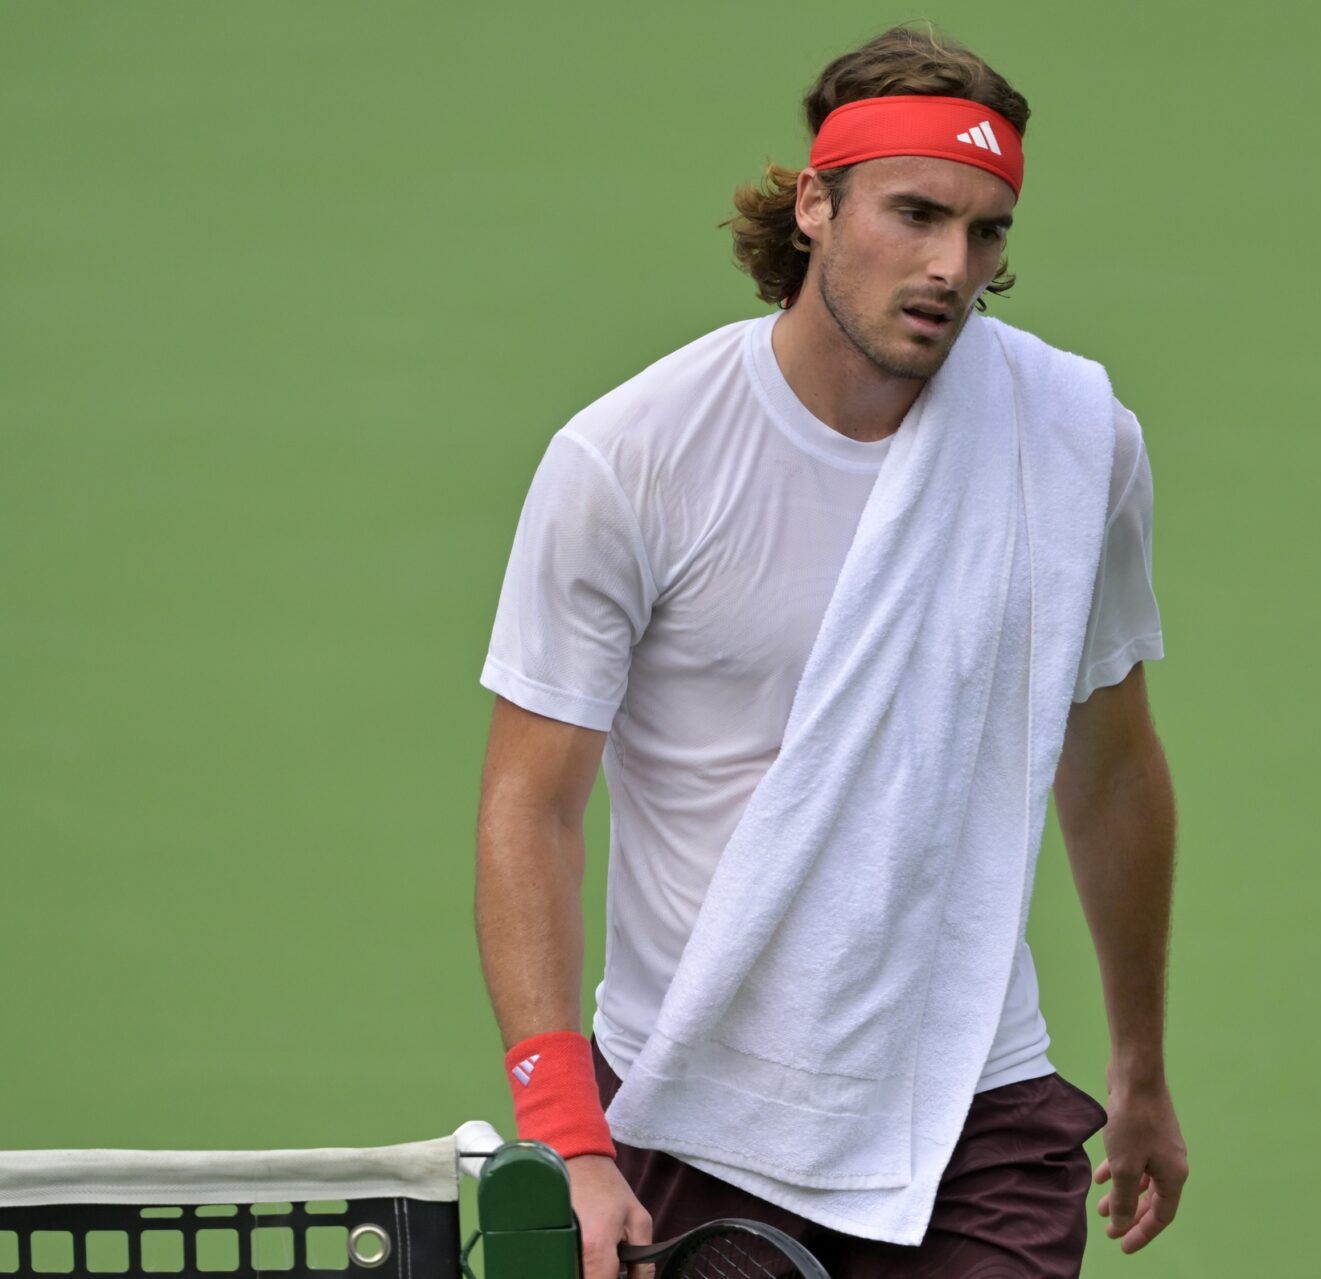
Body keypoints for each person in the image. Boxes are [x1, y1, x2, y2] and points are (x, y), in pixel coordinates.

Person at [472, 21, 1184, 1278]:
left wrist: (1140, 1062)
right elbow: (530, 807)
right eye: (914, 215)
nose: (951, 265)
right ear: (815, 202)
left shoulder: (1076, 444)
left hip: (979, 1101)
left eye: (986, 231)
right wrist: (570, 1137)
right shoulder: (628, 458)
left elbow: (1113, 768)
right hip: (702, 1106)